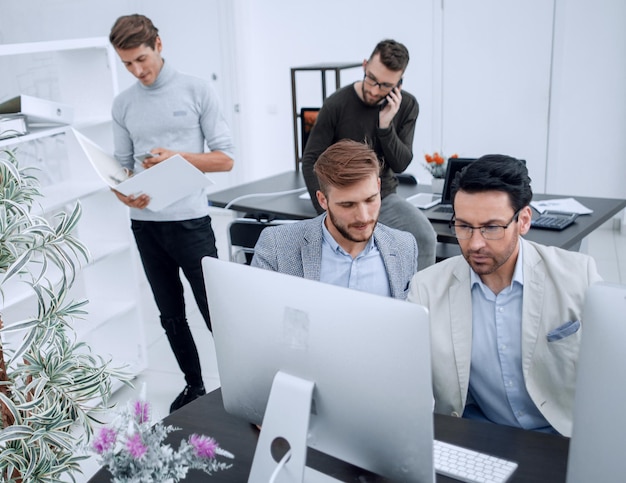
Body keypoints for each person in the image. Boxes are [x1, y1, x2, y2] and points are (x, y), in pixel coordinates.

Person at [407, 155, 602, 437]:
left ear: (523, 221)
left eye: (491, 228)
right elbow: (406, 378)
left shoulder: (577, 276)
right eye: (463, 226)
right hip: (477, 434)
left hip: (562, 436)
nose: (475, 243)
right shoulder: (427, 288)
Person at [109, 14, 235, 412]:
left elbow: (225, 159)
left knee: (217, 313)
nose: (137, 70)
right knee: (170, 316)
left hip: (191, 223)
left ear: (158, 45)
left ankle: (242, 388)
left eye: (141, 59)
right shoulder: (123, 103)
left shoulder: (197, 90)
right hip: (146, 227)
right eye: (127, 63)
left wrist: (178, 157)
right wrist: (123, 192)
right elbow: (120, 167)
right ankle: (194, 387)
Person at [301, 39, 436, 270]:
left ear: (399, 83)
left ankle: (418, 302)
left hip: (383, 197)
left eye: (384, 85)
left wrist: (385, 126)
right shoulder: (337, 104)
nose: (374, 90)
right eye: (371, 78)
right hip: (343, 197)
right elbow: (310, 160)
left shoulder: (407, 106)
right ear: (364, 65)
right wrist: (326, 209)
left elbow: (401, 163)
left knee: (425, 237)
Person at [252, 139, 417, 299]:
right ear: (323, 200)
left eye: (370, 200)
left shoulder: (405, 247)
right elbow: (259, 318)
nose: (364, 217)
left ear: (379, 187)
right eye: (347, 205)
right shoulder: (276, 247)